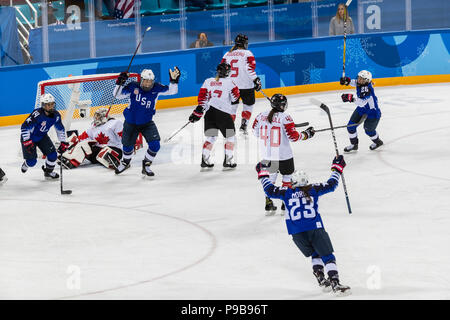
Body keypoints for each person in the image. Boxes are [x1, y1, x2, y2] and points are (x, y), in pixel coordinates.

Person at [255, 155, 352, 296]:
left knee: (315, 253)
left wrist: (263, 174)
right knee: (327, 256)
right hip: (314, 228)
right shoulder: (313, 189)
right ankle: (336, 284)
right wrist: (337, 168)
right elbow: (331, 185)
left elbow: (269, 190)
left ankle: (321, 280)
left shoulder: (286, 192)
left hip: (296, 233)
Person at [252, 93, 315, 215]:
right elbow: (293, 137)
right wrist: (306, 134)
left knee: (270, 180)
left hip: (267, 155)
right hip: (284, 155)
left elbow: (256, 133)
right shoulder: (285, 118)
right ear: (282, 106)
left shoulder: (260, 116)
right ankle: (285, 202)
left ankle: (268, 201)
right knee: (287, 178)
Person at [113, 67, 181, 176]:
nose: (148, 84)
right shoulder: (133, 86)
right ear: (141, 80)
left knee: (155, 145)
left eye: (150, 81)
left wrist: (174, 81)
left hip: (147, 123)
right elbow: (117, 95)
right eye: (146, 81)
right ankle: (125, 163)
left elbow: (173, 91)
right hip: (131, 122)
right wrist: (119, 82)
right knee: (127, 147)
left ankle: (146, 165)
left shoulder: (156, 88)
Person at [188, 62, 240, 170]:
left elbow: (202, 99)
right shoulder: (230, 82)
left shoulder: (208, 81)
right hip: (224, 115)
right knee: (230, 137)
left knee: (211, 137)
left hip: (210, 113)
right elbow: (236, 98)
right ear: (228, 72)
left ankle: (205, 159)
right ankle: (228, 160)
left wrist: (198, 112)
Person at [20, 93, 69, 180]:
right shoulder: (37, 114)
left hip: (42, 136)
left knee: (53, 155)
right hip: (29, 138)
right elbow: (24, 127)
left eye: (52, 104)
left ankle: (48, 172)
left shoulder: (56, 116)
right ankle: (26, 164)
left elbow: (60, 129)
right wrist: (27, 141)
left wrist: (63, 141)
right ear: (43, 105)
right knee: (32, 162)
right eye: (48, 105)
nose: (51, 106)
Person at [221, 34, 261, 135]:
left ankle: (229, 130)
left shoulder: (227, 54)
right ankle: (244, 125)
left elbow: (221, 70)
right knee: (248, 106)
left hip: (231, 87)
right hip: (246, 86)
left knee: (232, 108)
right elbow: (249, 68)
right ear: (245, 44)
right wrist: (256, 79)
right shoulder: (248, 53)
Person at [60, 108, 124, 170]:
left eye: (98, 116)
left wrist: (132, 144)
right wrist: (68, 144)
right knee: (83, 145)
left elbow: (125, 135)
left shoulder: (114, 123)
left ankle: (112, 161)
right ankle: (71, 162)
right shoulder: (93, 127)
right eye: (95, 116)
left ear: (104, 116)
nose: (96, 118)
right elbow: (81, 138)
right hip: (98, 153)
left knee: (105, 152)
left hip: (115, 150)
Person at [340, 70, 383, 152]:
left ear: (367, 81)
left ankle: (378, 142)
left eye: (362, 79)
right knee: (350, 126)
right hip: (362, 109)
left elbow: (361, 103)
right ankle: (354, 145)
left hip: (372, 112)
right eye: (359, 77)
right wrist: (346, 81)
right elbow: (354, 82)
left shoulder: (368, 90)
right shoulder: (361, 82)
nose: (359, 80)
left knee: (368, 130)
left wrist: (351, 98)